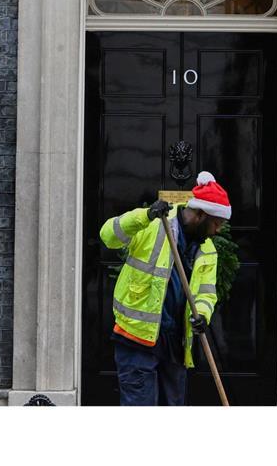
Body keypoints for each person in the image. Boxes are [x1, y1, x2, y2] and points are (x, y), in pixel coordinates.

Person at [99, 171, 231, 405]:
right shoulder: (154, 225)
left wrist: (202, 314)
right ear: (201, 215)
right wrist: (145, 215)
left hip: (176, 346)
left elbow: (207, 294)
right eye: (216, 224)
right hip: (137, 339)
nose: (217, 230)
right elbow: (108, 235)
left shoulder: (207, 250)